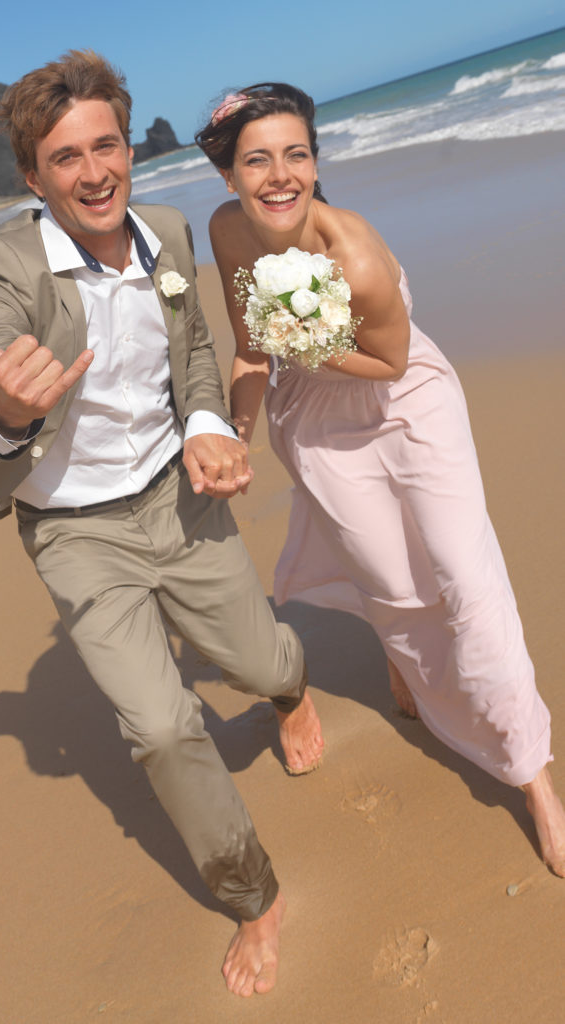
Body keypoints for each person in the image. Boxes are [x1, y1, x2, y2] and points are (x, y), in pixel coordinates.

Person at [0, 53, 326, 997]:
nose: (94, 173)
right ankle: (252, 895)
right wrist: (7, 412)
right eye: (65, 157)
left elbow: (196, 347)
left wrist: (207, 424)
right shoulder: (4, 267)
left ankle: (291, 693)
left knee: (257, 662)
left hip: (180, 493)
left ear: (130, 147)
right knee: (162, 729)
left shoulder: (166, 231)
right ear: (32, 176)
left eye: (107, 146)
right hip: (76, 534)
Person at [195, 82, 565, 877]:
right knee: (390, 579)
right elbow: (252, 350)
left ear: (315, 162)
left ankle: (533, 774)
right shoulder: (226, 231)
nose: (280, 175)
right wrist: (235, 436)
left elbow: (389, 361)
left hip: (404, 402)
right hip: (312, 413)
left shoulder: (355, 255)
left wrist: (304, 341)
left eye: (296, 154)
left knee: (465, 576)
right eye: (257, 160)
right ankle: (398, 650)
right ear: (228, 175)